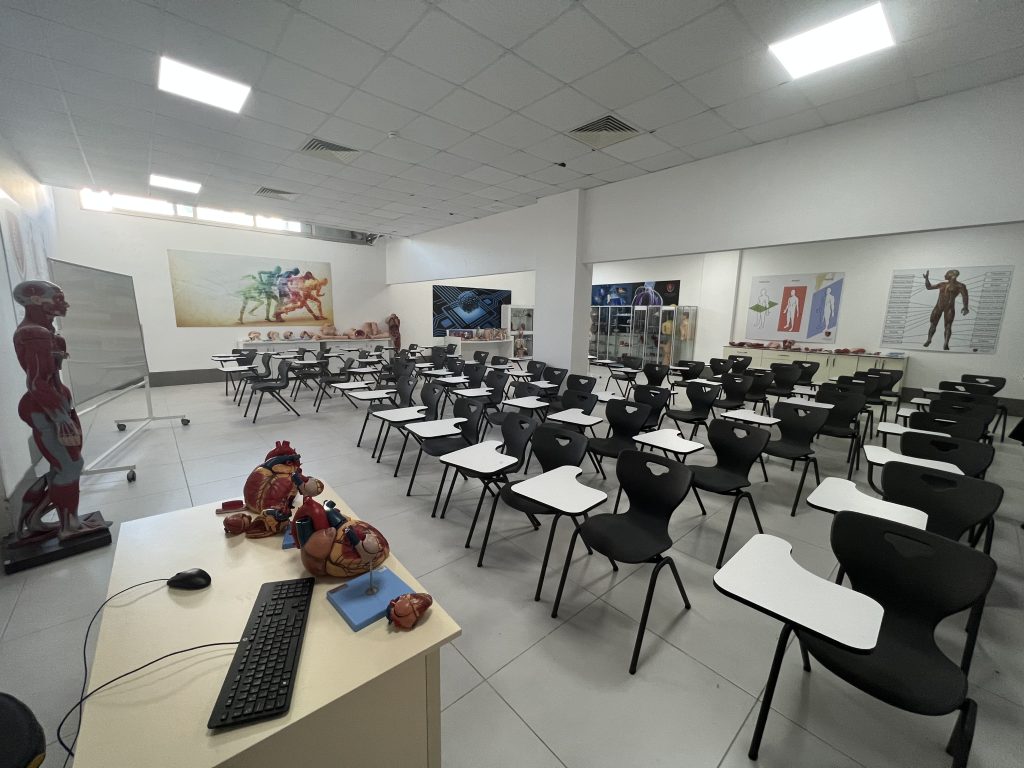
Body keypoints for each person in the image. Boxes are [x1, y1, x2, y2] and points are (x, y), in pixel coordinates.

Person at [13, 280, 109, 541]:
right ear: (35, 299)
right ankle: (69, 526)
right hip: (45, 409)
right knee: (70, 466)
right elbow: (37, 383)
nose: (64, 304)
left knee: (65, 466)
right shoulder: (34, 333)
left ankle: (36, 521)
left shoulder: (48, 333)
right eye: (57, 298)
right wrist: (59, 417)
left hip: (56, 405)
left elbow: (50, 378)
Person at [922, 269, 969, 350]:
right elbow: (929, 287)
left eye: (947, 274)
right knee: (933, 324)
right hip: (938, 306)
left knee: (948, 326)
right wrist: (926, 279)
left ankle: (946, 343)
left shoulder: (960, 286)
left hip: (949, 308)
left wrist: (965, 307)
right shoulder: (942, 284)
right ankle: (929, 339)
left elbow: (965, 296)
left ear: (952, 275)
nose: (945, 275)